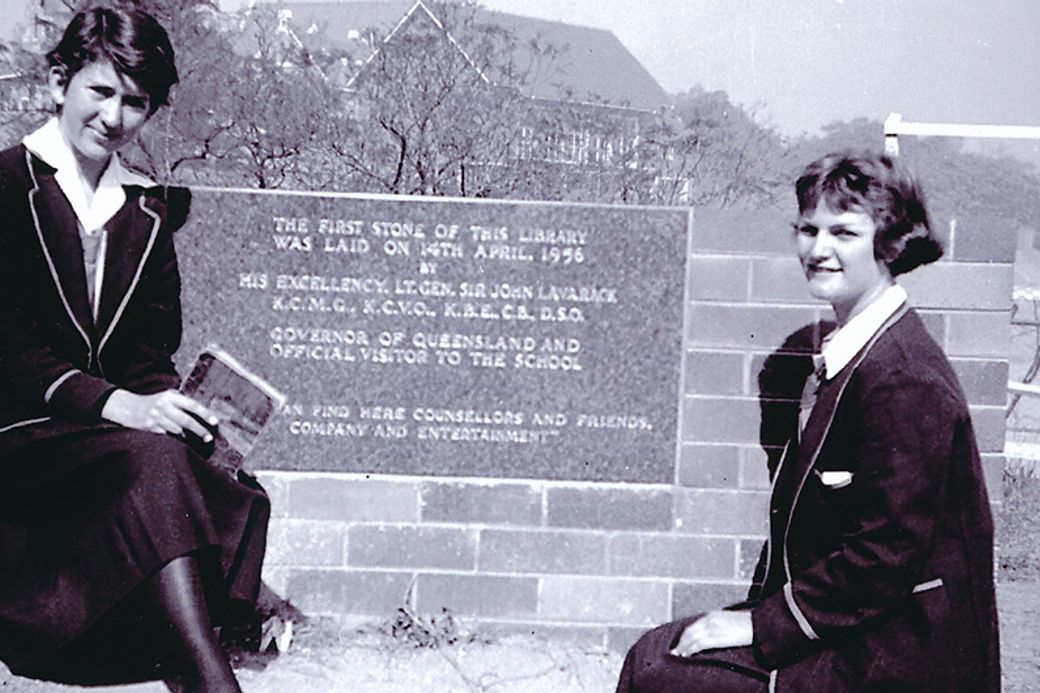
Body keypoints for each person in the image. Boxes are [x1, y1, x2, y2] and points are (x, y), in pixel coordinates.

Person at [615, 151, 1000, 692]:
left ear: (887, 242)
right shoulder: (858, 354)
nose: (819, 250)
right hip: (854, 626)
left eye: (843, 232)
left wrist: (755, 623)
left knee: (663, 672)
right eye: (808, 229)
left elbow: (883, 557)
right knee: (659, 653)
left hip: (899, 654)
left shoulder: (904, 377)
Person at [0, 7, 269, 692]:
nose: (115, 116)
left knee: (215, 473)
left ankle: (180, 654)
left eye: (135, 102)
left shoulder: (146, 212)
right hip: (20, 429)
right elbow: (8, 346)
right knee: (150, 459)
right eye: (101, 91)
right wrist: (118, 404)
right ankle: (204, 674)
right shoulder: (4, 187)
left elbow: (147, 352)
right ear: (60, 83)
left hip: (101, 438)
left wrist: (173, 407)